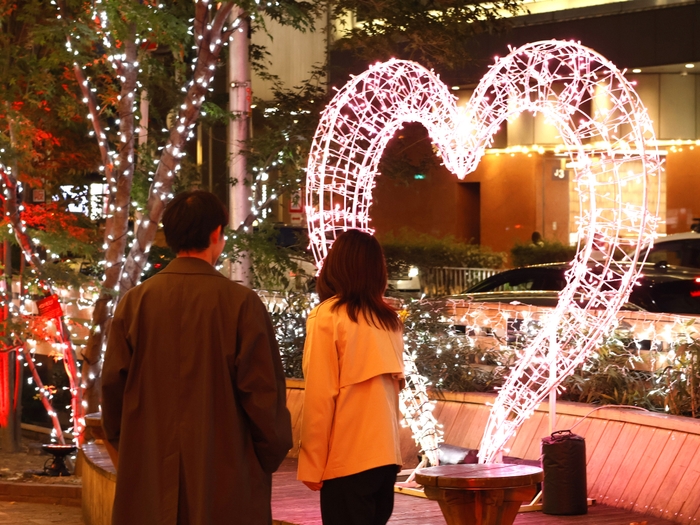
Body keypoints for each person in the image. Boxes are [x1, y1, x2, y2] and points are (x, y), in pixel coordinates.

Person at [101, 190, 292, 525]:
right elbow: (264, 398)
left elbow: (112, 391)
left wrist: (133, 455)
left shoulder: (135, 302)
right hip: (225, 479)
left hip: (150, 477)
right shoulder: (241, 304)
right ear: (216, 233)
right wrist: (262, 459)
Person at [297, 229, 405, 525]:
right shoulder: (389, 321)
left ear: (335, 266)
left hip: (347, 461)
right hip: (386, 460)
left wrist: (312, 464)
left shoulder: (328, 316)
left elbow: (321, 396)